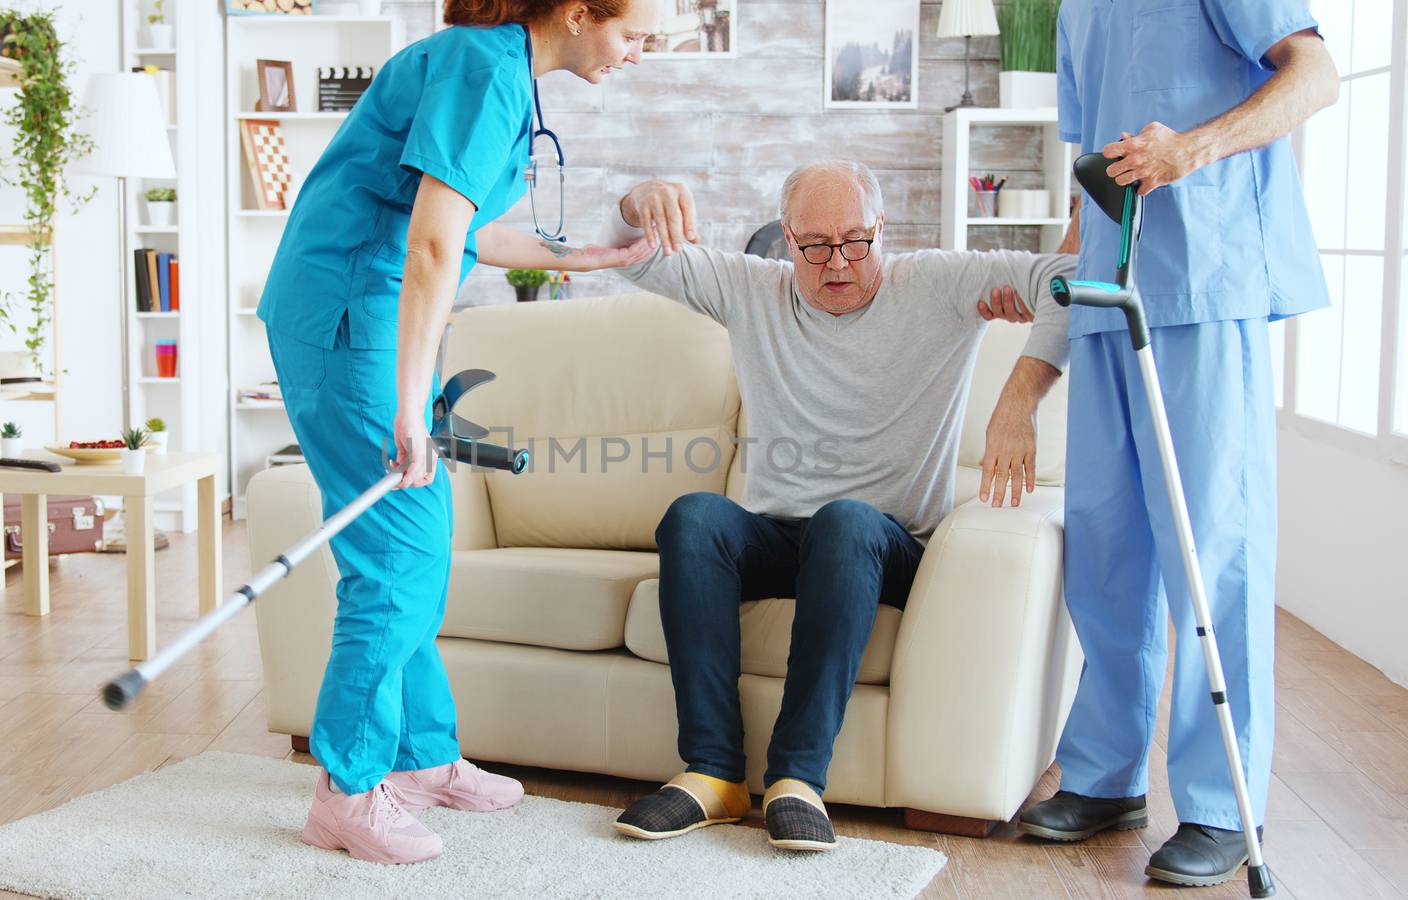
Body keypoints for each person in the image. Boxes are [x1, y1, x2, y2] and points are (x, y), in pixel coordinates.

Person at [512, 160, 1075, 850]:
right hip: (782, 536)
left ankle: (798, 779)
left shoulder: (936, 283)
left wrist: (1017, 401)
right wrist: (636, 203)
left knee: (845, 522)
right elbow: (626, 252)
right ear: (787, 239)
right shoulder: (753, 290)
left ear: (880, 229)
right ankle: (713, 774)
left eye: (855, 241)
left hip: (885, 543)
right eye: (815, 246)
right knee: (693, 517)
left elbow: (1068, 285)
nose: (837, 263)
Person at [256, 0, 659, 864]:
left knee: (422, 540)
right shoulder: (483, 72)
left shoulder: (494, 66)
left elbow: (467, 225)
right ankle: (348, 787)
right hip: (349, 313)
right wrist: (411, 405)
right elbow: (435, 249)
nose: (637, 54)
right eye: (634, 34)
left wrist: (592, 257)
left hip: (367, 308)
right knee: (397, 554)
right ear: (582, 13)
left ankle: (420, 755)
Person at [1016, 0, 1338, 888]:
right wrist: (1038, 351)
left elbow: (1315, 74)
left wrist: (1189, 149)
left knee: (1212, 554)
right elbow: (1090, 186)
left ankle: (1219, 806)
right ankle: (1104, 776)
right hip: (1107, 299)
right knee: (1107, 553)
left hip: (1206, 282)